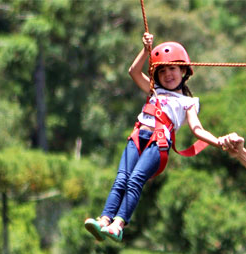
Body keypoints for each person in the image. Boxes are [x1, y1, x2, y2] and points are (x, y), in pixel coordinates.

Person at [84, 33, 224, 242]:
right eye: (163, 70)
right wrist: (145, 49)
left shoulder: (188, 102)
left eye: (172, 69)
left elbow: (197, 130)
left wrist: (219, 142)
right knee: (121, 178)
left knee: (134, 181)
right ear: (157, 76)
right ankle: (104, 220)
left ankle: (118, 224)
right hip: (137, 137)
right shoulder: (154, 90)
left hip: (158, 144)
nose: (168, 74)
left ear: (183, 70)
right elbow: (133, 71)